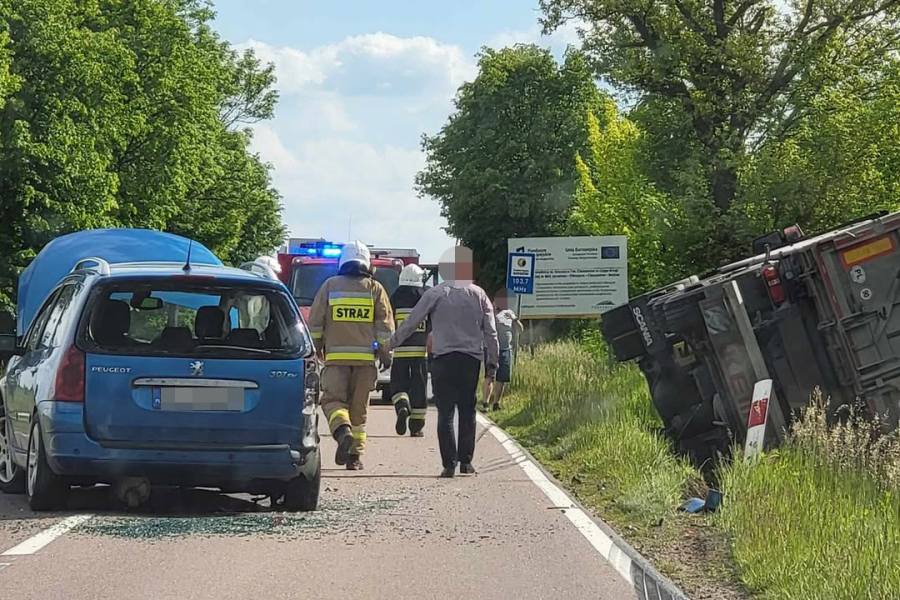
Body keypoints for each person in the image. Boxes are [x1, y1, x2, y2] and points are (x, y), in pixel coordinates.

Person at [387, 246, 498, 478]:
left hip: (443, 360)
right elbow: (491, 332)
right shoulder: (479, 294)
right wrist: (492, 363)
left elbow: (410, 322)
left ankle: (449, 464)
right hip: (470, 360)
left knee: (445, 413)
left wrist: (389, 345)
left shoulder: (435, 293)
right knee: (467, 411)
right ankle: (466, 463)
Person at [308, 241, 394, 471]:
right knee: (359, 411)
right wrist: (386, 355)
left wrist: (315, 350)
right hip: (365, 363)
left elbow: (315, 323)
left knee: (332, 402)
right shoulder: (375, 289)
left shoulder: (329, 286)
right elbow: (385, 328)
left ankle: (341, 431)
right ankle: (354, 457)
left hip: (335, 361)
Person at [389, 264, 430, 437]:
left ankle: (402, 405)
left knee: (398, 385)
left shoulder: (395, 297)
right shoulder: (426, 297)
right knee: (419, 389)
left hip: (400, 353)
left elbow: (388, 321)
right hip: (420, 354)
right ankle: (416, 426)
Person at [482, 288, 523, 411]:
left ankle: (496, 404)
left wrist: (514, 319)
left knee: (502, 378)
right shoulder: (489, 313)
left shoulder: (510, 313)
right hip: (492, 349)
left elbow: (520, 329)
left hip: (506, 349)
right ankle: (485, 403)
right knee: (490, 376)